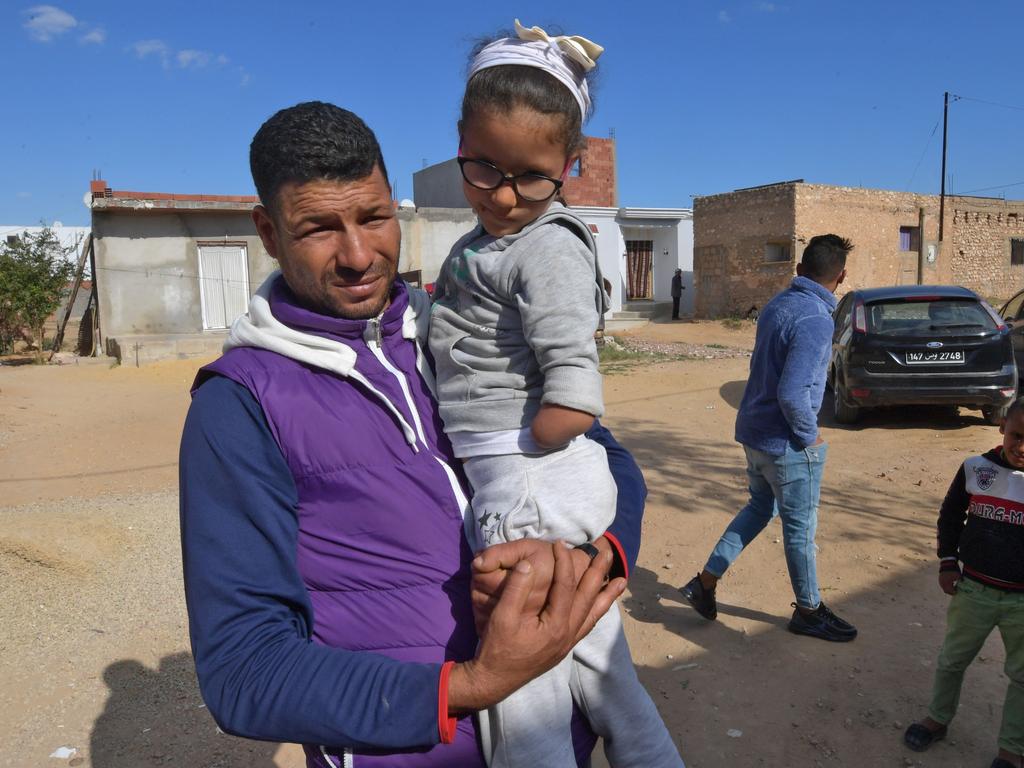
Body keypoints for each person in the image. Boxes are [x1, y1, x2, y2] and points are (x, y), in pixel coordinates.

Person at [179, 100, 650, 768]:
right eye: (319, 228)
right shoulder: (240, 402)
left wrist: (593, 558)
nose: (358, 254)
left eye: (374, 218)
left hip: (555, 738)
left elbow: (607, 455)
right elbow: (244, 672)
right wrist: (475, 684)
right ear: (269, 231)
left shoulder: (452, 330)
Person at [428, 20, 682, 768]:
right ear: (460, 144)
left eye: (530, 177)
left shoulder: (549, 245)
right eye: (484, 169)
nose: (505, 195)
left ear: (569, 165)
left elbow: (573, 373)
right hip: (531, 472)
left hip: (529, 475)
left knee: (524, 686)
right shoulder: (481, 245)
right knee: (599, 659)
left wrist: (541, 434)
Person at [679, 234, 858, 642]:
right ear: (842, 275)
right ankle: (809, 611)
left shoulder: (778, 304)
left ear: (799, 270)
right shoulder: (816, 318)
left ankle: (704, 583)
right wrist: (810, 437)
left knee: (760, 508)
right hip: (787, 445)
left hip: (754, 434)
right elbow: (793, 392)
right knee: (800, 529)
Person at [903, 399, 1024, 768]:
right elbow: (951, 515)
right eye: (1017, 435)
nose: (1022, 446)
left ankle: (1011, 750)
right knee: (952, 660)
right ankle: (937, 719)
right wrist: (947, 562)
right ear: (1002, 426)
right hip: (974, 590)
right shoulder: (976, 469)